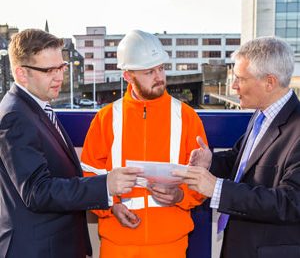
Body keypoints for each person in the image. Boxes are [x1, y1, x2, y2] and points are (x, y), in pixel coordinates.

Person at [0, 29, 142, 258]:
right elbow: (38, 192)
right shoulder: (15, 117)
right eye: (49, 70)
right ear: (21, 74)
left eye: (61, 67)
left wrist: (108, 201)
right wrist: (105, 185)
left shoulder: (34, 107)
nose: (59, 77)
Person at [81, 29, 208, 258]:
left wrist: (181, 196)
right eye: (149, 71)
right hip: (118, 244)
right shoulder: (106, 118)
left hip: (171, 246)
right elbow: (89, 175)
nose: (159, 77)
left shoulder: (188, 118)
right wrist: (111, 206)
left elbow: (200, 180)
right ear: (128, 76)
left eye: (161, 68)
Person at [174, 36, 300, 258]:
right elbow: (241, 161)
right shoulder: (262, 114)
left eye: (240, 78)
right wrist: (210, 162)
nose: (233, 86)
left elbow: (289, 202)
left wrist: (216, 189)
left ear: (269, 82)